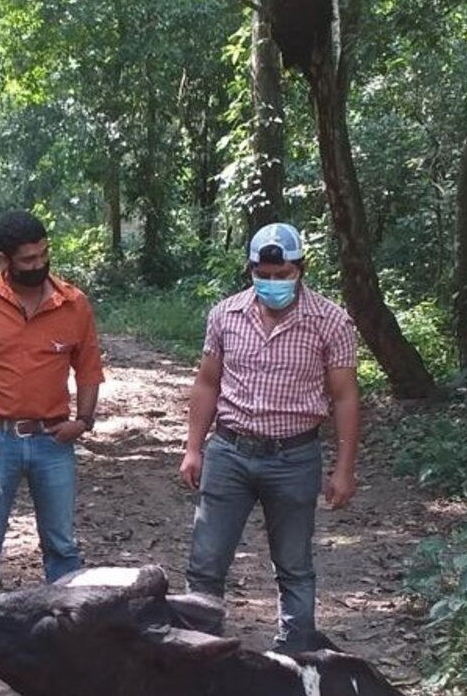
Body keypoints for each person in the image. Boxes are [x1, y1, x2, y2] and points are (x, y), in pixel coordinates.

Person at [178, 222, 360, 652]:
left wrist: (345, 468)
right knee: (205, 564)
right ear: (251, 269)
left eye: (283, 275)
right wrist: (193, 448)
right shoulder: (226, 314)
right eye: (264, 274)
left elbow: (346, 396)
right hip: (229, 452)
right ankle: (199, 656)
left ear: (301, 269)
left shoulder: (331, 322)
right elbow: (207, 383)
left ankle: (296, 659)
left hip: (294, 456)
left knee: (294, 566)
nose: (273, 282)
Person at [0, 210, 105, 604]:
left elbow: (90, 369)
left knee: (62, 546)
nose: (39, 264)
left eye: (44, 255)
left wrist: (84, 420)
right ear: (4, 260)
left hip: (54, 443)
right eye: (28, 259)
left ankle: (68, 636)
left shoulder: (74, 304)